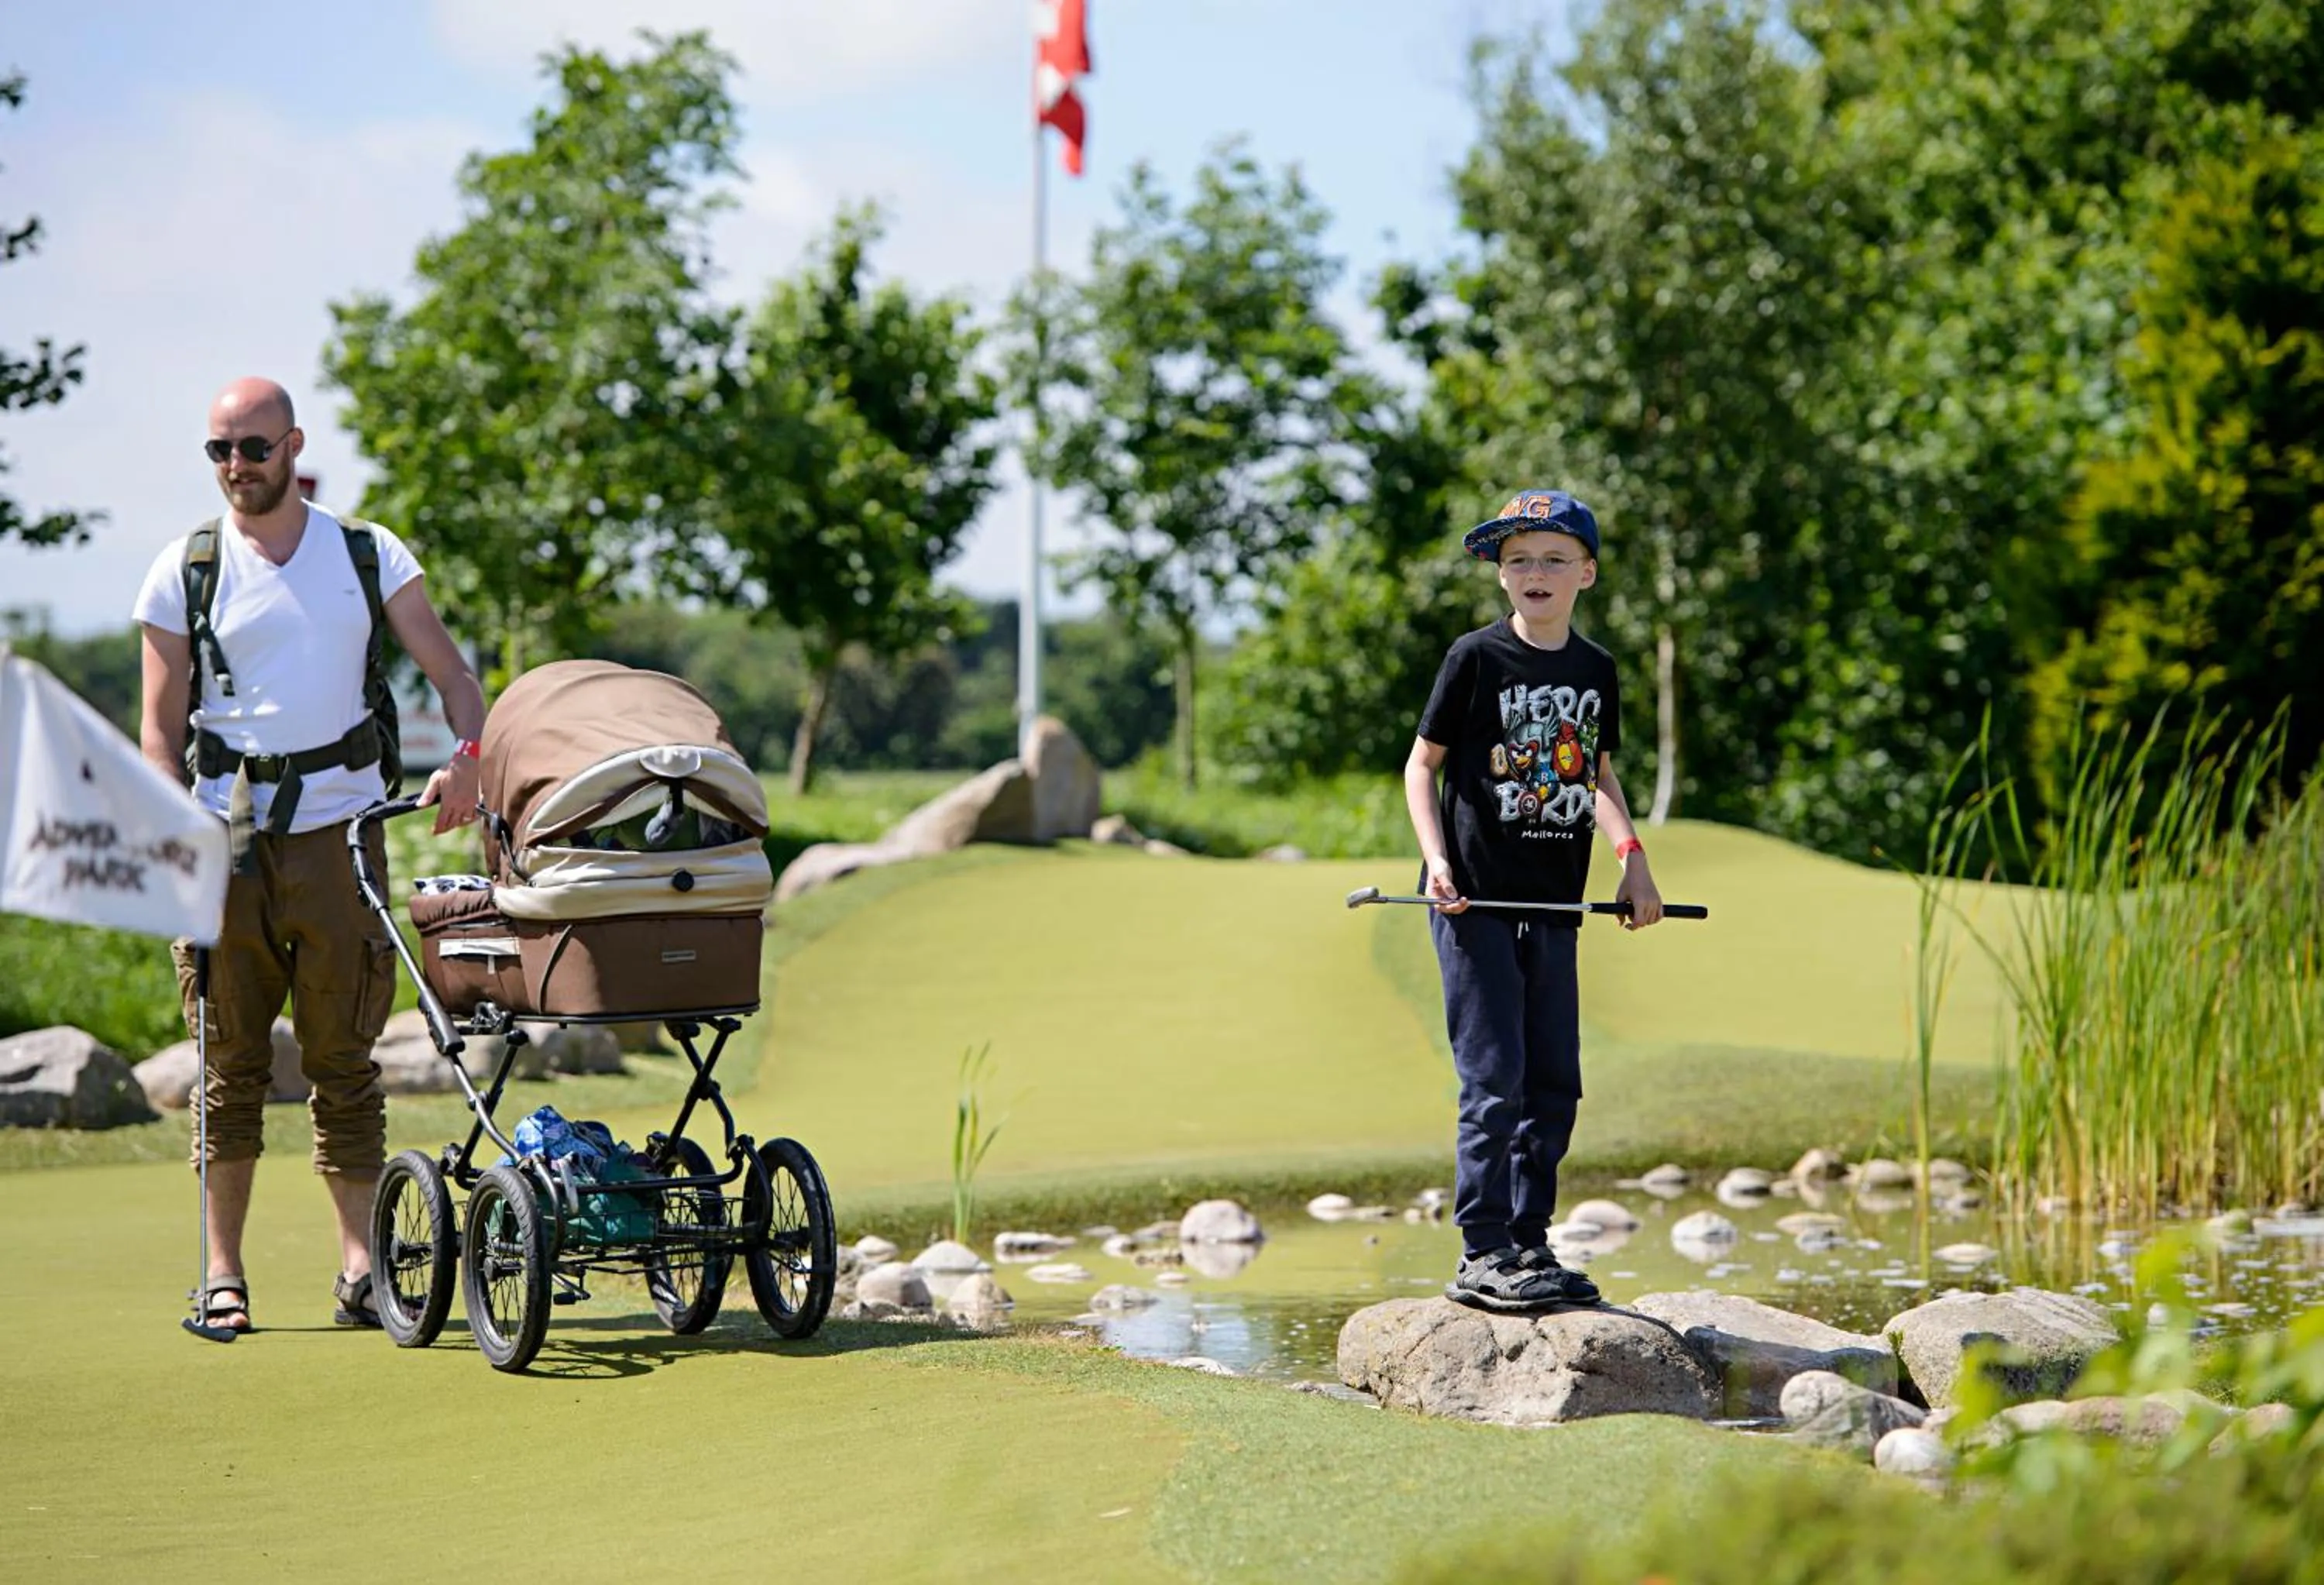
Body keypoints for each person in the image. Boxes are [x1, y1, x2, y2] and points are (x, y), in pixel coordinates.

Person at [133, 376, 486, 1334]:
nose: (236, 467)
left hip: (344, 834)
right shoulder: (183, 569)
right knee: (228, 1062)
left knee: (344, 1058)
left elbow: (454, 675)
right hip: (225, 842)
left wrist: (467, 756)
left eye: (254, 447)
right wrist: (173, 821)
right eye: (220, 450)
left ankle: (362, 1269)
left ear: (293, 446)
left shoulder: (368, 554)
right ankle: (222, 1275)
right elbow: (159, 731)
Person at [1404, 488, 1666, 1313]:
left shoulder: (1596, 671)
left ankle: (1528, 1241)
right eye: (1518, 560)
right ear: (1500, 575)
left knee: (1554, 1083)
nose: (1535, 572)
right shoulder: (1475, 658)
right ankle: (1482, 1251)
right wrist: (1437, 862)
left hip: (1554, 908)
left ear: (1587, 573)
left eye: (1554, 558)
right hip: (1473, 903)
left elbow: (1596, 775)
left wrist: (1633, 861)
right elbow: (1421, 766)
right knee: (1495, 1084)